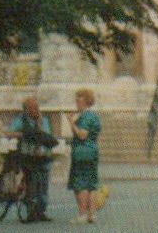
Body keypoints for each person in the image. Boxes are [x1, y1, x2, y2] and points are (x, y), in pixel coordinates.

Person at [6, 95, 57, 221]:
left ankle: (41, 210)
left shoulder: (43, 120)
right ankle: (30, 209)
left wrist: (39, 124)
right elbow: (8, 133)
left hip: (43, 155)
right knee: (31, 181)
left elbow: (45, 136)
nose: (36, 110)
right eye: (33, 108)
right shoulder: (21, 120)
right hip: (27, 155)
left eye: (37, 108)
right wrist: (21, 134)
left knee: (44, 183)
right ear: (26, 110)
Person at [66, 88, 105, 223]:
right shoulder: (94, 117)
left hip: (82, 151)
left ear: (85, 101)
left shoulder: (85, 117)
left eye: (79, 99)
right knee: (91, 184)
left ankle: (82, 214)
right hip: (92, 151)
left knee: (80, 184)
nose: (76, 102)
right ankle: (92, 214)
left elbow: (82, 134)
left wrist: (71, 122)